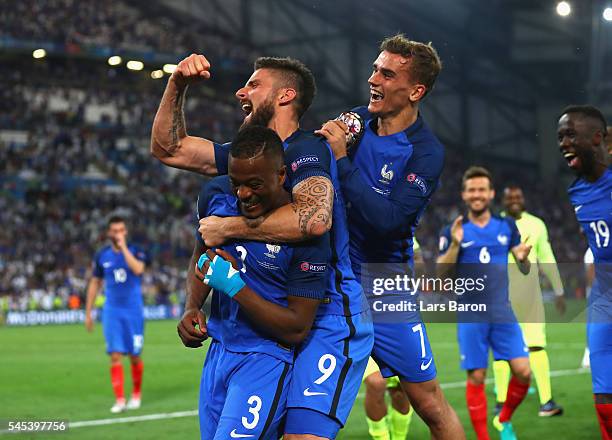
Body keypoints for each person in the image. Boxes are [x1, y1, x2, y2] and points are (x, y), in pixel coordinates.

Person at [152, 55, 373, 439]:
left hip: (328, 312)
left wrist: (229, 227)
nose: (241, 91)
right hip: (264, 321)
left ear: (286, 95)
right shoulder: (249, 158)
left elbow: (314, 219)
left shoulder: (308, 150)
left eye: (254, 84)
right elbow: (169, 149)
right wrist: (177, 85)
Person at [316, 34, 464, 439]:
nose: (372, 79)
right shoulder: (355, 122)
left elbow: (388, 221)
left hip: (385, 284)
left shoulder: (425, 152)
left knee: (430, 402)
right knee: (295, 395)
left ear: (416, 90)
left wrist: (342, 160)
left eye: (386, 73)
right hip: (329, 277)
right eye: (374, 69)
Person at [177, 126, 329, 439]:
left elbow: (296, 327)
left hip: (265, 360)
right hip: (218, 353)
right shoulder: (217, 197)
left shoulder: (306, 236)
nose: (243, 194)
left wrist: (235, 286)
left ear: (282, 175)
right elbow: (203, 254)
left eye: (254, 184)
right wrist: (193, 306)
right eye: (237, 183)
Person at [437, 166, 532, 440]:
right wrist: (455, 245)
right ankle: (483, 437)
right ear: (464, 194)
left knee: (523, 372)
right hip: (471, 313)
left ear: (490, 194)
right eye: (472, 190)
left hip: (503, 311)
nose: (477, 195)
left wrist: (523, 258)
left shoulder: (506, 226)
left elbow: (523, 267)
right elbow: (440, 274)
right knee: (477, 377)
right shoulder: (454, 229)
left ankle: (503, 419)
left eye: (482, 190)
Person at [557, 105, 612, 439]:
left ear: (596, 138)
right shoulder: (576, 192)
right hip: (603, 301)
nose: (563, 143)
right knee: (604, 400)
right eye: (560, 137)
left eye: (570, 135)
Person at [491, 185, 565, 417]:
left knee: (536, 346)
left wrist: (559, 290)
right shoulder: (494, 225)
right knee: (502, 351)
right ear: (502, 200)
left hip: (531, 296)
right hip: (501, 297)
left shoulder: (537, 224)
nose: (514, 200)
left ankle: (547, 402)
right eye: (509, 197)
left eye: (518, 197)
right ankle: (501, 401)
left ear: (523, 199)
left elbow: (546, 256)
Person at [85, 216, 149, 413]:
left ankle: (136, 394)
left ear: (125, 232)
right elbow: (95, 282)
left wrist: (124, 249)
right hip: (112, 310)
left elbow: (138, 269)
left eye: (121, 229)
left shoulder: (136, 251)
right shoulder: (101, 255)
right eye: (115, 230)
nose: (118, 233)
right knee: (114, 355)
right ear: (109, 233)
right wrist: (88, 312)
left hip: (133, 310)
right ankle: (120, 400)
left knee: (134, 356)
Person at [361, 238, 423, 440]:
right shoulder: (353, 229)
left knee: (400, 388)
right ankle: (381, 437)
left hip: (397, 318)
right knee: (376, 383)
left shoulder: (397, 226)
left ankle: (398, 437)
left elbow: (417, 257)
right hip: (362, 320)